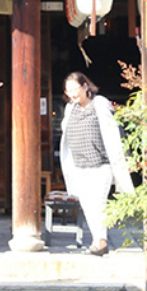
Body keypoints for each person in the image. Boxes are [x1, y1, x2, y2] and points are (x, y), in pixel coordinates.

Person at [59, 71, 134, 256]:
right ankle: (97, 240)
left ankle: (100, 242)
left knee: (98, 203)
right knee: (86, 204)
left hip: (101, 164)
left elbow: (111, 131)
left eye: (76, 89)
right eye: (69, 91)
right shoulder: (70, 109)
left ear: (85, 87)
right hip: (79, 165)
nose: (73, 94)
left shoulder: (99, 103)